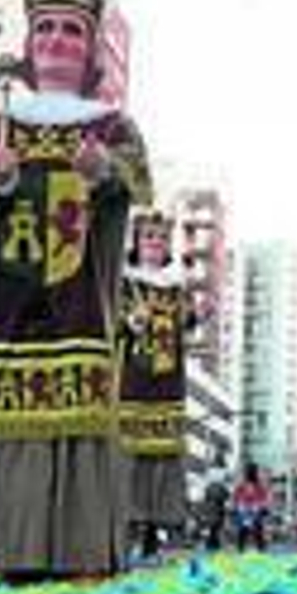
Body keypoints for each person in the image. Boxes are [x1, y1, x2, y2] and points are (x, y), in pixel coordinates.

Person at [0, 0, 152, 580]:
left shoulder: (113, 127)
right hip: (8, 306)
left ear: (90, 51)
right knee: (5, 418)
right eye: (45, 28)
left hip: (79, 304)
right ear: (28, 43)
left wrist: (103, 170)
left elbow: (137, 188)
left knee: (76, 421)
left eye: (71, 31)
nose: (56, 40)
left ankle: (74, 549)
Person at [118, 209, 192, 561]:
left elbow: (186, 323)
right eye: (149, 236)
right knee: (130, 454)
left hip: (168, 380)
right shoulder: (123, 280)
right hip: (133, 377)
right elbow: (109, 318)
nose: (155, 243)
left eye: (162, 237)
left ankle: (162, 526)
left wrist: (194, 316)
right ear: (136, 240)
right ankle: (130, 523)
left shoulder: (178, 285)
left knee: (165, 456)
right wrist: (128, 322)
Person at [232, 463, 271, 552]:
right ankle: (255, 549)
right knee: (249, 530)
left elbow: (265, 498)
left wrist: (263, 506)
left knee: (251, 530)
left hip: (251, 508)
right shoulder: (244, 485)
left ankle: (249, 549)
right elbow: (236, 497)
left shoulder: (257, 485)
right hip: (247, 508)